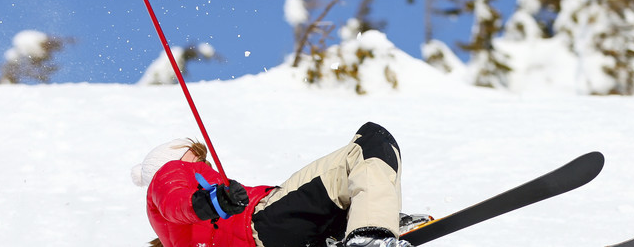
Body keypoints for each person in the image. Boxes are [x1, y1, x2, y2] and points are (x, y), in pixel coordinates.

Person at [131, 122, 425, 247]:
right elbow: (175, 201)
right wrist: (211, 202)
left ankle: (349, 227)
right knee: (370, 142)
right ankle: (369, 230)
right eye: (193, 153)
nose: (200, 159)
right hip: (262, 226)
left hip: (272, 235)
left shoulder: (181, 233)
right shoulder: (169, 174)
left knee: (349, 176)